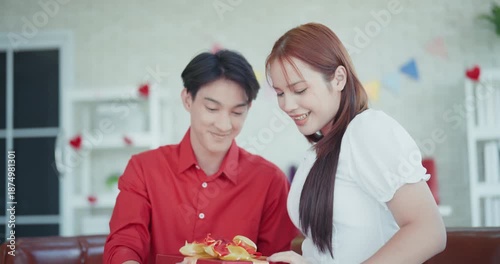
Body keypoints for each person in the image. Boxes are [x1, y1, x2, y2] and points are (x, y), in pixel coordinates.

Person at [265, 23, 446, 264]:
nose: (287, 105)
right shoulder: (318, 154)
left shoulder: (368, 130)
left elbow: (428, 231)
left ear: (339, 78)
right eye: (280, 93)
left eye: (299, 89)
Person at [103, 50, 297, 264]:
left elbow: (275, 259)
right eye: (212, 108)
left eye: (237, 113)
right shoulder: (144, 169)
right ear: (187, 99)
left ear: (248, 108)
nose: (224, 125)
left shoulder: (269, 181)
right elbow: (124, 244)